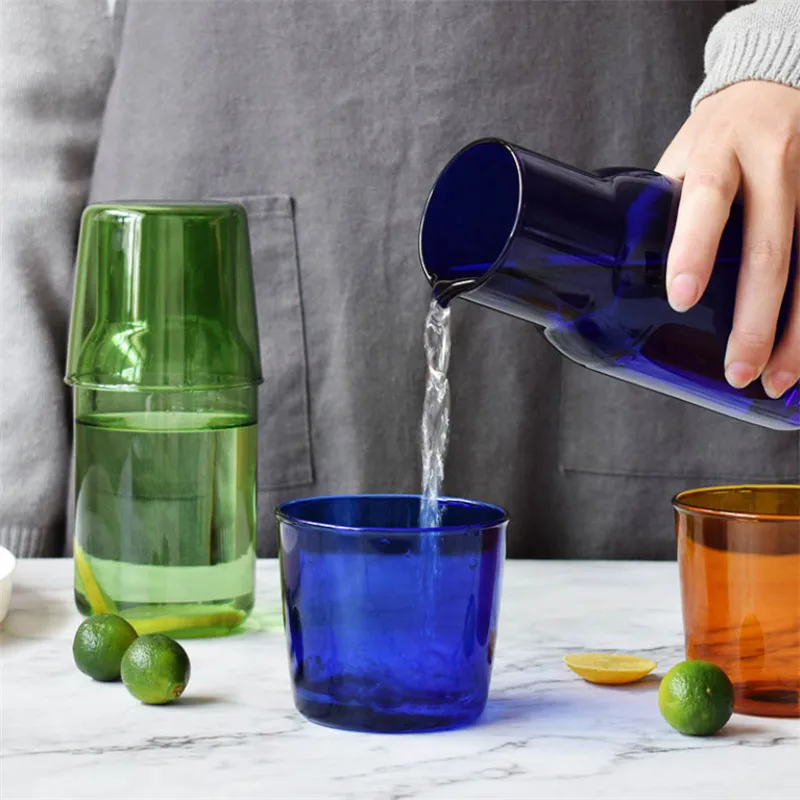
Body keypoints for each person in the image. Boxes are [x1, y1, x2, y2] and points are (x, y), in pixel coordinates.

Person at [1, 0, 798, 560]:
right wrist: (13, 525)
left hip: (671, 247)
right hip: (193, 289)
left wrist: (783, 49)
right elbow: (27, 115)